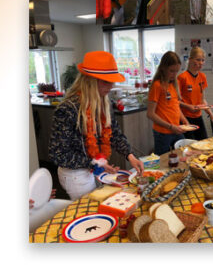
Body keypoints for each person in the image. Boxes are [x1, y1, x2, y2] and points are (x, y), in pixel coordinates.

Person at [49, 51, 145, 199]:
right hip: (76, 175)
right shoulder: (67, 109)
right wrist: (94, 162)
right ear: (89, 81)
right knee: (91, 211)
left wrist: (130, 156)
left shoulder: (104, 102)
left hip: (97, 168)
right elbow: (59, 155)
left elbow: (115, 134)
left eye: (111, 81)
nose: (111, 86)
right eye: (105, 81)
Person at [146, 51, 194, 155]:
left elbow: (175, 107)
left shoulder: (173, 84)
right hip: (163, 133)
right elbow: (150, 113)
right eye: (172, 71)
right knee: (163, 161)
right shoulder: (157, 85)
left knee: (183, 155)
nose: (174, 74)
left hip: (176, 129)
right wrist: (170, 127)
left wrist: (184, 120)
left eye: (176, 71)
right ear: (163, 68)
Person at [177, 47, 213, 140]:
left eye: (203, 60)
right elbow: (175, 101)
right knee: (191, 145)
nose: (201, 63)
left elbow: (202, 99)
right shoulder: (182, 77)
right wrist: (188, 106)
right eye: (198, 60)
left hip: (198, 116)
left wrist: (211, 115)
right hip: (185, 117)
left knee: (203, 142)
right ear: (190, 59)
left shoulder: (202, 76)